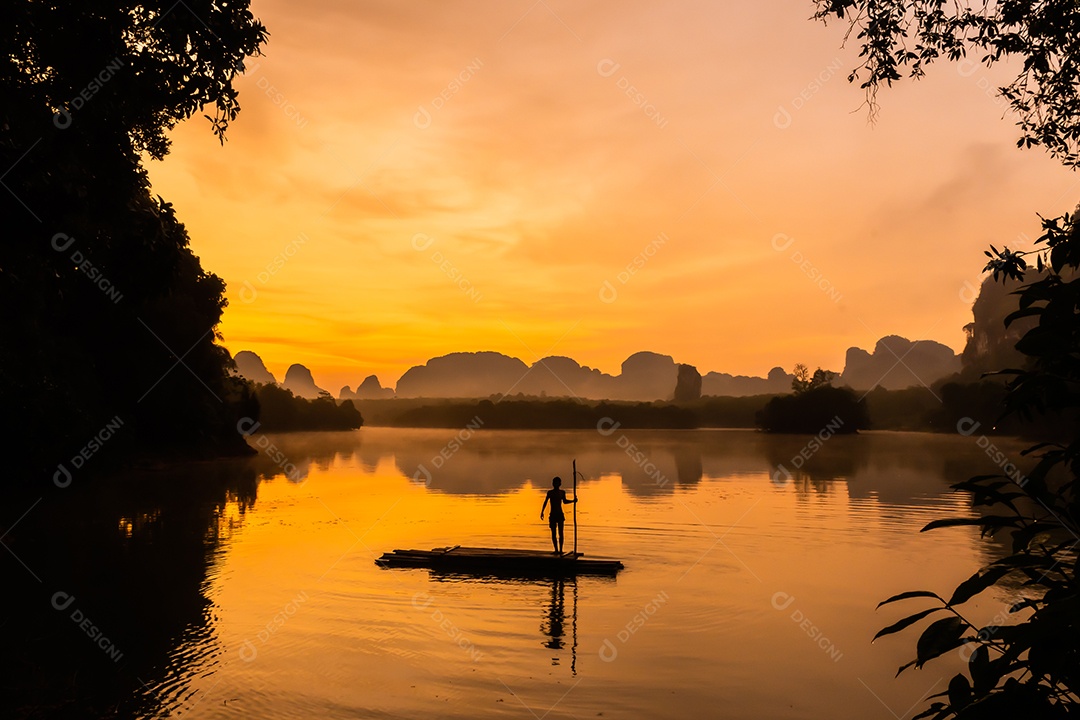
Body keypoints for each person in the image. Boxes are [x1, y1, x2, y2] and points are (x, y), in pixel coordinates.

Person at [540, 476, 577, 555]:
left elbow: (565, 501)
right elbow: (545, 502)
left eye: (557, 483)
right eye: (555, 483)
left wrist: (573, 501)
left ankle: (560, 550)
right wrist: (542, 511)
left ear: (560, 484)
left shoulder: (562, 492)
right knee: (553, 533)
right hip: (553, 515)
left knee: (561, 533)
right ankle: (556, 550)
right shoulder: (550, 493)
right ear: (553, 484)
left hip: (560, 515)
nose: (556, 484)